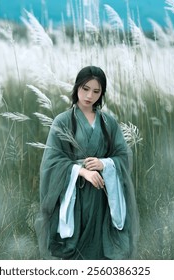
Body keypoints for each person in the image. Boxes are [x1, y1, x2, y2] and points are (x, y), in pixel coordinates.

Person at [35, 66, 139, 259]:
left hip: (102, 198)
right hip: (74, 197)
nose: (89, 95)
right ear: (76, 88)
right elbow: (51, 161)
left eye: (96, 91)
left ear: (102, 94)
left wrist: (105, 164)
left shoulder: (109, 123)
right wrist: (81, 171)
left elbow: (123, 156)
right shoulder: (63, 121)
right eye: (85, 88)